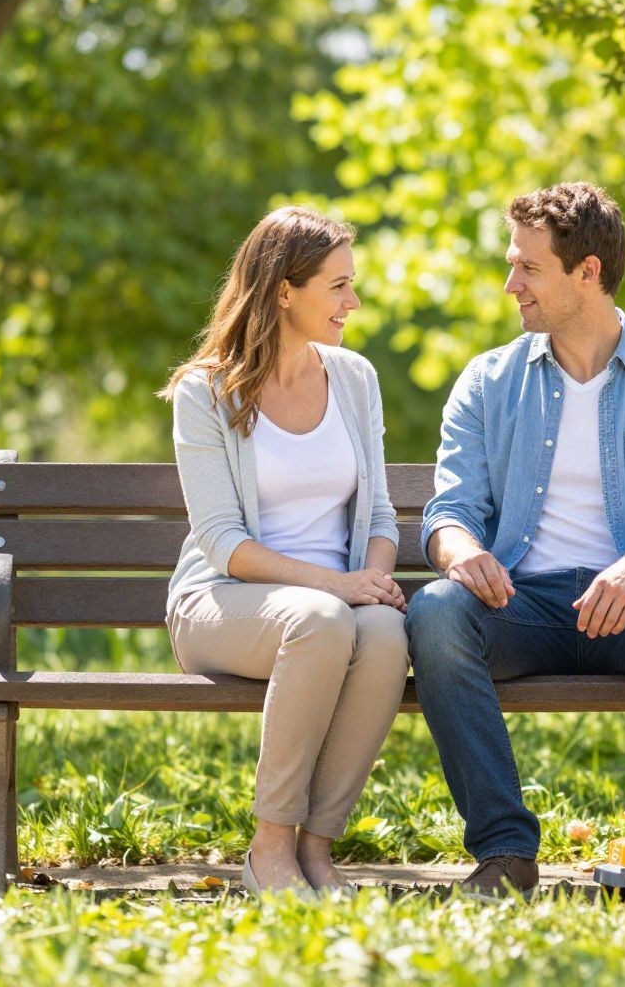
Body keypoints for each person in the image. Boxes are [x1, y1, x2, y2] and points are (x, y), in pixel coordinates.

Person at [406, 182, 625, 897]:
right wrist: (463, 552)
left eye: (528, 268)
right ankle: (504, 851)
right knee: (434, 611)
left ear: (587, 272)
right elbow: (449, 511)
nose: (510, 285)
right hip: (519, 608)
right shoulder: (487, 381)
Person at [161, 206, 409, 895]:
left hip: (333, 604)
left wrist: (375, 581)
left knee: (387, 632)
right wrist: (338, 588)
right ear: (282, 291)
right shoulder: (205, 391)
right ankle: (268, 849)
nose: (352, 302)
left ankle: (315, 850)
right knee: (321, 619)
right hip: (222, 603)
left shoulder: (355, 379)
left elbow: (381, 513)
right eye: (337, 286)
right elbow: (222, 543)